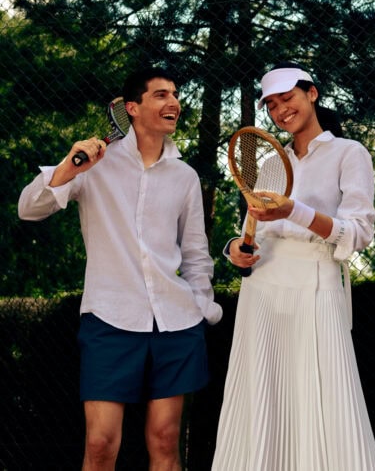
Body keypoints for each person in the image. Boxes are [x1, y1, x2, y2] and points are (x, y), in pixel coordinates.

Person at [18, 66, 222, 470]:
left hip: (176, 324)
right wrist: (69, 167)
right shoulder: (93, 166)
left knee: (165, 441)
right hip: (109, 320)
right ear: (131, 108)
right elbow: (29, 209)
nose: (173, 102)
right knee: (100, 443)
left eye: (175, 94)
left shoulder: (184, 177)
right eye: (161, 95)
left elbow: (196, 253)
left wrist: (201, 305)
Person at [212, 62, 375, 470]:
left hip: (317, 287)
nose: (279, 110)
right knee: (260, 402)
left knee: (325, 401)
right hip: (263, 293)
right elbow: (253, 233)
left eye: (286, 98)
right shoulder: (272, 163)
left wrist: (297, 211)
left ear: (312, 94)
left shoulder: (349, 153)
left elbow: (358, 234)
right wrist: (236, 248)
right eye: (270, 105)